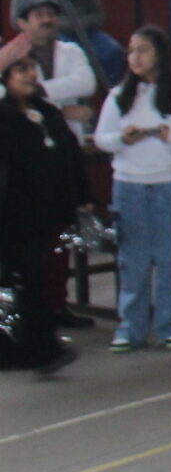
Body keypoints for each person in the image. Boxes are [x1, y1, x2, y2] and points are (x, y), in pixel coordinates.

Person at [96, 25, 171, 354]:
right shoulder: (120, 94)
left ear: (160, 54)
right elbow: (102, 137)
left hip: (169, 183)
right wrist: (122, 138)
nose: (135, 57)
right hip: (129, 185)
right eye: (131, 50)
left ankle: (170, 325)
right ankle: (130, 328)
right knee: (132, 260)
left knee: (168, 258)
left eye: (143, 50)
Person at [0, 38, 90, 352]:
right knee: (19, 281)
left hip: (45, 212)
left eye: (31, 68)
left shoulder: (48, 113)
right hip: (13, 215)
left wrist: (82, 195)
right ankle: (32, 348)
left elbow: (70, 156)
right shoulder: (6, 116)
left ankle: (40, 346)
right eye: (19, 69)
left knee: (36, 279)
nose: (29, 75)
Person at [11, 0, 95, 123]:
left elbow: (87, 83)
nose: (47, 20)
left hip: (70, 128)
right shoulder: (11, 57)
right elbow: (15, 97)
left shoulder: (72, 50)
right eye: (39, 15)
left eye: (51, 14)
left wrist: (39, 89)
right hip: (27, 127)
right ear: (22, 23)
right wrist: (61, 111)